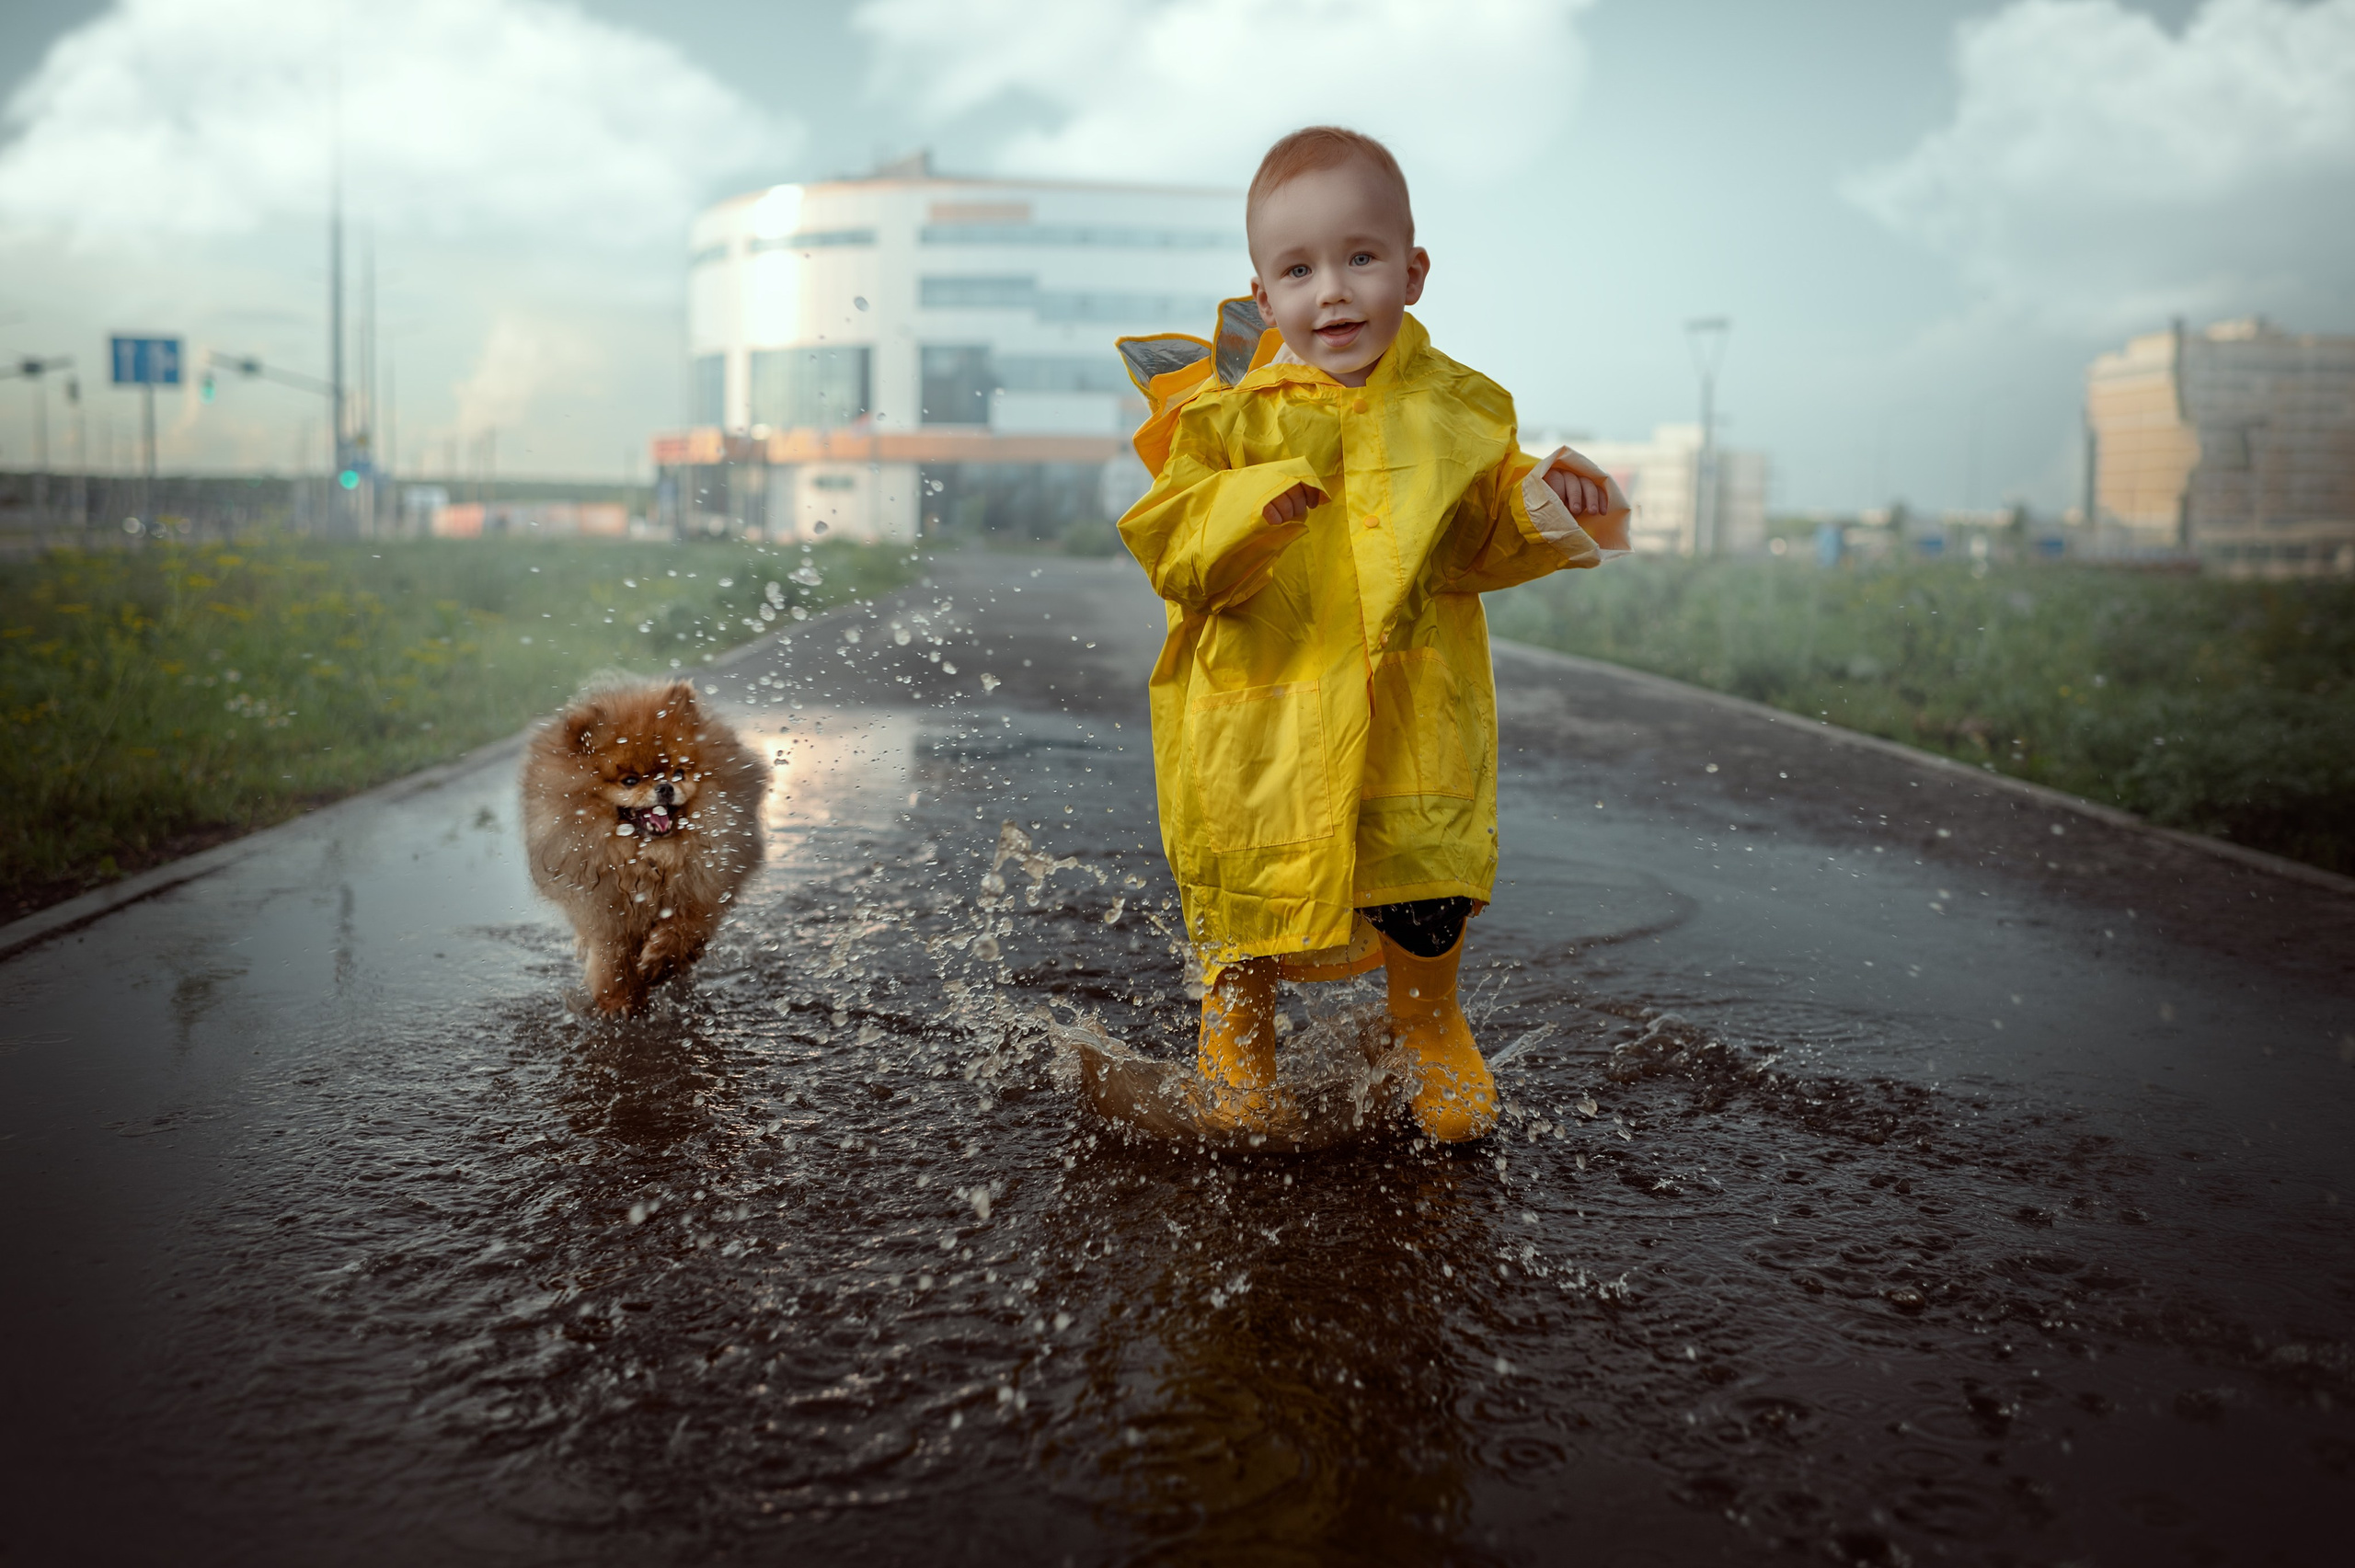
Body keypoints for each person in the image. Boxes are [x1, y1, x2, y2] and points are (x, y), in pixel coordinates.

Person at [1114, 126, 1628, 1143]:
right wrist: (1247, 509)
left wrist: (1541, 502)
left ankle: (1429, 1023)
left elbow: (1474, 538)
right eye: (1298, 270)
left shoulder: (1461, 411)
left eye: (1360, 258)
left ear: (1414, 271)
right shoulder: (1226, 423)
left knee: (1421, 870)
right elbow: (1168, 542)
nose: (1333, 293)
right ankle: (1237, 1033)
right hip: (1261, 710)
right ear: (1264, 299)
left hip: (1410, 700)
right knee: (1251, 877)